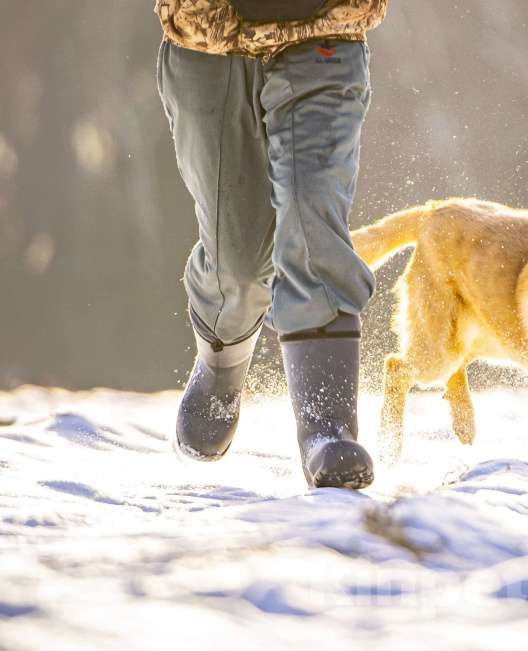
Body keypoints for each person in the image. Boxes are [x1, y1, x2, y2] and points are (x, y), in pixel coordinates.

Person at [154, 0, 388, 489]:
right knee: (237, 262)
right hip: (208, 39)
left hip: (325, 29)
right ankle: (222, 360)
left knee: (313, 215)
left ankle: (327, 427)